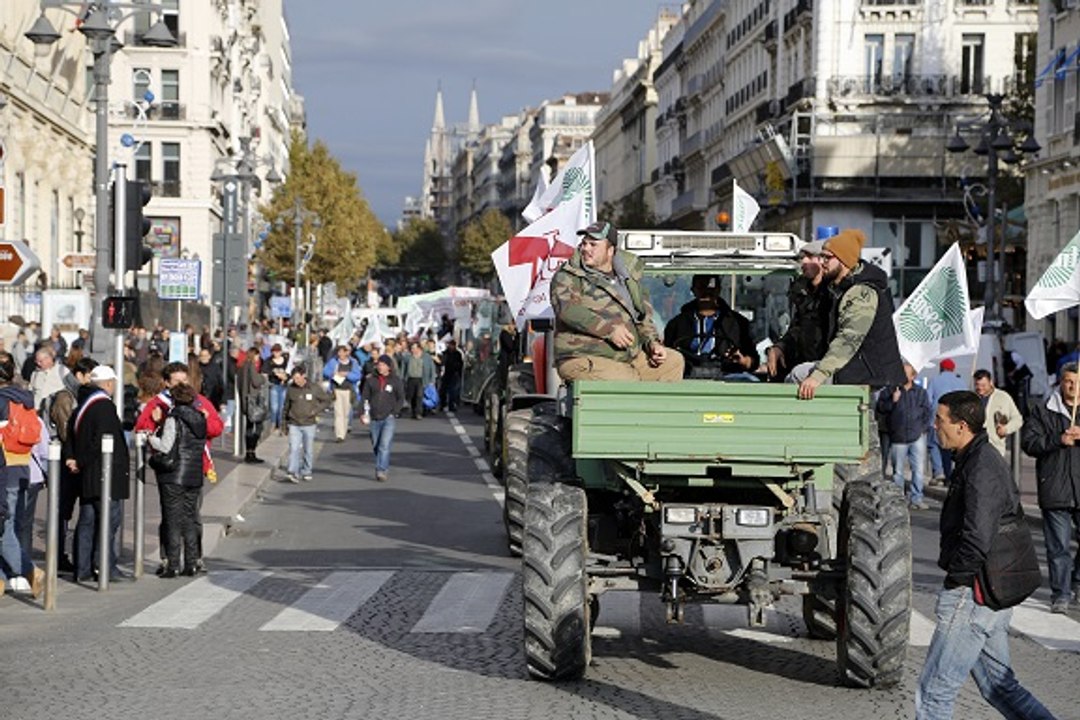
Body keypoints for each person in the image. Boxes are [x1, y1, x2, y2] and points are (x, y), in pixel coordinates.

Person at [915, 390, 1056, 719]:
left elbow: (978, 534)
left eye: (940, 420)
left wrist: (957, 582)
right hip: (987, 590)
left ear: (961, 426)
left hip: (974, 591)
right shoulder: (975, 458)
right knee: (999, 686)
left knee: (936, 689)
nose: (934, 426)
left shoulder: (981, 465)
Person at [551, 219, 683, 382]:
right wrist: (610, 330)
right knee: (627, 379)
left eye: (593, 245)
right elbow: (568, 310)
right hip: (582, 357)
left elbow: (643, 318)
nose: (586, 249)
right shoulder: (569, 275)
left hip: (627, 357)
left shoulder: (629, 280)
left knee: (673, 361)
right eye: (584, 244)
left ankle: (659, 407)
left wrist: (653, 344)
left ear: (610, 250)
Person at [796, 228, 905, 400]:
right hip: (855, 367)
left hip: (866, 372)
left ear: (844, 260)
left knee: (797, 376)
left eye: (827, 257)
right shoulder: (837, 288)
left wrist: (817, 376)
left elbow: (849, 338)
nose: (822, 262)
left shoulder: (862, 292)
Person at [1020, 362, 1080, 614]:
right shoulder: (1044, 411)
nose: (1073, 386)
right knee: (1059, 547)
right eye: (1068, 381)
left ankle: (1076, 581)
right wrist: (1059, 439)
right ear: (1060, 382)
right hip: (1055, 488)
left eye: (1077, 382)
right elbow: (1029, 443)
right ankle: (1061, 594)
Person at [67, 365, 130, 583]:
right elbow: (102, 441)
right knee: (108, 522)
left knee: (87, 522)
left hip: (88, 474)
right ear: (109, 383)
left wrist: (73, 459)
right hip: (105, 473)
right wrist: (81, 461)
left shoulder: (83, 405)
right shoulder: (104, 407)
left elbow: (71, 435)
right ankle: (105, 566)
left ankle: (83, 569)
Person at [146, 383, 207, 577]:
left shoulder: (174, 418)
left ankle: (172, 564)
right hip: (194, 475)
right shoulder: (200, 418)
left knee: (172, 519)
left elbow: (165, 446)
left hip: (174, 475)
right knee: (189, 518)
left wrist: (150, 438)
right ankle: (191, 563)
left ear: (174, 399)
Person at [0, 352, 43, 596]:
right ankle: (4, 577)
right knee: (12, 524)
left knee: (3, 528)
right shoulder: (25, 398)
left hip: (4, 469)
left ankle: (30, 571)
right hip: (24, 467)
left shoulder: (1, 401)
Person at [664, 274, 758, 380]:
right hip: (686, 375)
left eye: (711, 286)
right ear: (693, 290)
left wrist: (744, 361)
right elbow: (667, 355)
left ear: (719, 289)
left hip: (727, 376)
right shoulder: (677, 324)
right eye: (701, 286)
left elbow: (753, 361)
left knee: (750, 380)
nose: (706, 291)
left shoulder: (739, 323)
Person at [767, 240, 831, 379]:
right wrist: (780, 347)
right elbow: (797, 329)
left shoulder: (833, 295)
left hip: (826, 370)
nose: (804, 262)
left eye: (810, 257)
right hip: (803, 367)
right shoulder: (801, 293)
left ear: (823, 260)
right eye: (803, 257)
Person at [876, 362, 932, 510]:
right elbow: (881, 408)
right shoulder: (889, 391)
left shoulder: (920, 392)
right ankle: (898, 499)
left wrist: (923, 429)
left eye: (906, 373)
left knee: (918, 470)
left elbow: (927, 411)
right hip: (898, 436)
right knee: (898, 472)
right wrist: (892, 401)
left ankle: (916, 498)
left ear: (913, 376)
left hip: (917, 436)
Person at [281, 366, 331, 483]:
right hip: (294, 423)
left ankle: (306, 470)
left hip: (309, 423)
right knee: (294, 448)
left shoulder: (313, 388)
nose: (296, 381)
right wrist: (284, 424)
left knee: (308, 449)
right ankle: (293, 471)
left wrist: (315, 410)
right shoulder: (291, 389)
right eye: (294, 379)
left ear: (304, 376)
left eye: (298, 378)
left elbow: (326, 400)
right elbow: (286, 407)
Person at [361, 354, 405, 482]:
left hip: (388, 417)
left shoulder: (395, 380)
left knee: (384, 445)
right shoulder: (371, 380)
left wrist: (395, 411)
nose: (380, 367)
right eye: (379, 365)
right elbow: (365, 397)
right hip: (374, 417)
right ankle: (381, 462)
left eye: (383, 365)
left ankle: (381, 470)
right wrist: (363, 412)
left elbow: (401, 398)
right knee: (376, 444)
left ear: (389, 367)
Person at [927, 358, 968, 484]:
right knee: (951, 446)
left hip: (938, 418)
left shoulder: (935, 380)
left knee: (934, 444)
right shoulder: (961, 382)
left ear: (941, 368)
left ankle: (939, 472)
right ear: (953, 369)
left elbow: (928, 400)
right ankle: (950, 474)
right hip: (956, 419)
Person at [973, 369, 1023, 459]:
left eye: (983, 385)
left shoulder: (1003, 397)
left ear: (991, 382)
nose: (980, 388)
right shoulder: (972, 398)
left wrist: (1006, 429)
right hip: (975, 450)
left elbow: (1018, 419)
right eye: (977, 385)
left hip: (995, 449)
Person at [322, 345, 362, 441]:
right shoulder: (333, 362)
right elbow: (325, 371)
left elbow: (358, 376)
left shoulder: (353, 362)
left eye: (343, 352)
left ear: (346, 353)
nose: (341, 354)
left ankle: (344, 430)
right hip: (337, 389)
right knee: (338, 412)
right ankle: (340, 435)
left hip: (348, 390)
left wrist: (347, 374)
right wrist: (333, 373)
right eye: (339, 352)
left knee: (346, 412)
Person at [238, 347, 267, 464]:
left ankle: (248, 453)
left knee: (249, 426)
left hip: (245, 401)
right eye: (257, 356)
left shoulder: (241, 367)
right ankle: (252, 451)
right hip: (253, 401)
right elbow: (256, 381)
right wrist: (263, 377)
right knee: (259, 426)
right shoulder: (251, 366)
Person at [403, 341, 436, 419]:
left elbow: (432, 368)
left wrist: (432, 380)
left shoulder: (426, 357)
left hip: (421, 379)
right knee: (412, 396)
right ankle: (414, 412)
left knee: (419, 396)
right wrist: (403, 378)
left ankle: (419, 413)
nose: (413, 350)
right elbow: (404, 368)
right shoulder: (407, 357)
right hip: (411, 379)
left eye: (414, 348)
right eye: (412, 348)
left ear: (419, 348)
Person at [264, 343, 290, 430]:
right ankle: (273, 423)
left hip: (283, 385)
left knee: (282, 406)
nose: (276, 353)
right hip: (274, 385)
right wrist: (275, 374)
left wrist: (285, 377)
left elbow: (289, 371)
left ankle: (280, 424)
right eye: (274, 352)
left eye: (278, 351)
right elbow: (265, 371)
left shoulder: (285, 361)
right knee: (274, 407)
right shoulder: (269, 361)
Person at [439, 339, 464, 412]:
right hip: (446, 373)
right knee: (443, 390)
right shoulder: (445, 353)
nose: (451, 346)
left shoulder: (457, 354)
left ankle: (451, 405)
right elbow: (443, 362)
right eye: (450, 345)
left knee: (453, 391)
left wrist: (459, 372)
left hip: (454, 374)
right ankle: (443, 404)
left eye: (452, 345)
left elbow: (460, 364)